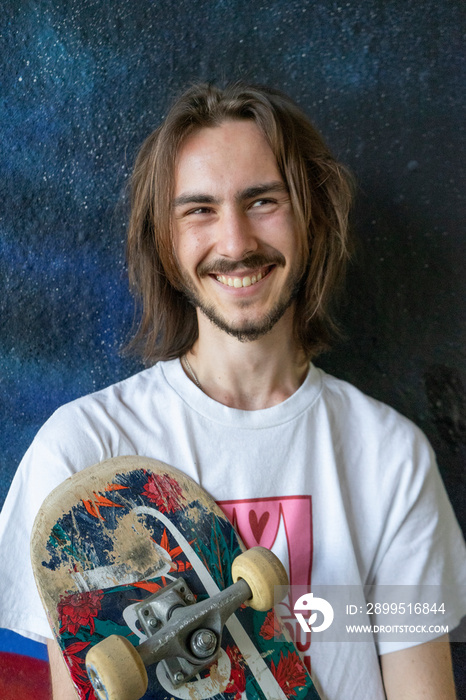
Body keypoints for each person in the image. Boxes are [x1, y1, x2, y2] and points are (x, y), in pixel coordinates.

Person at [0, 82, 465, 700]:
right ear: (163, 240)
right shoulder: (82, 452)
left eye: (263, 201)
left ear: (311, 217)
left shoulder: (392, 458)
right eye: (199, 210)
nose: (237, 241)